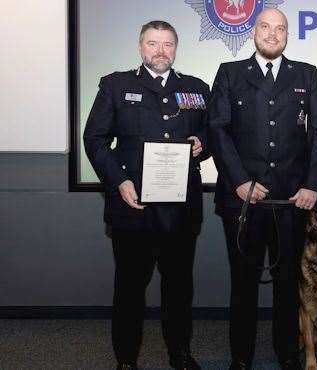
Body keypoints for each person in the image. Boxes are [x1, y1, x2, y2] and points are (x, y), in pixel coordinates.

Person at [84, 20, 210, 370]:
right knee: (129, 290)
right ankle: (126, 359)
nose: (160, 50)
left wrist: (204, 144)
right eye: (152, 44)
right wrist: (118, 182)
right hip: (132, 206)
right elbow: (94, 139)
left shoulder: (197, 88)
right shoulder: (116, 85)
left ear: (175, 48)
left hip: (181, 209)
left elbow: (213, 133)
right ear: (141, 48)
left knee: (179, 289)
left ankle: (180, 354)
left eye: (167, 44)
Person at [209, 8, 317, 370]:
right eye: (265, 27)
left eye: (280, 29)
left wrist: (312, 185)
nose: (272, 34)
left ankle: (288, 356)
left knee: (287, 284)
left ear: (287, 35)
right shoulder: (230, 74)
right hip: (241, 201)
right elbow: (217, 129)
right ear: (253, 32)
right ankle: (241, 359)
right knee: (243, 284)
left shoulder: (306, 74)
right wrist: (240, 181)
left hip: (292, 201)